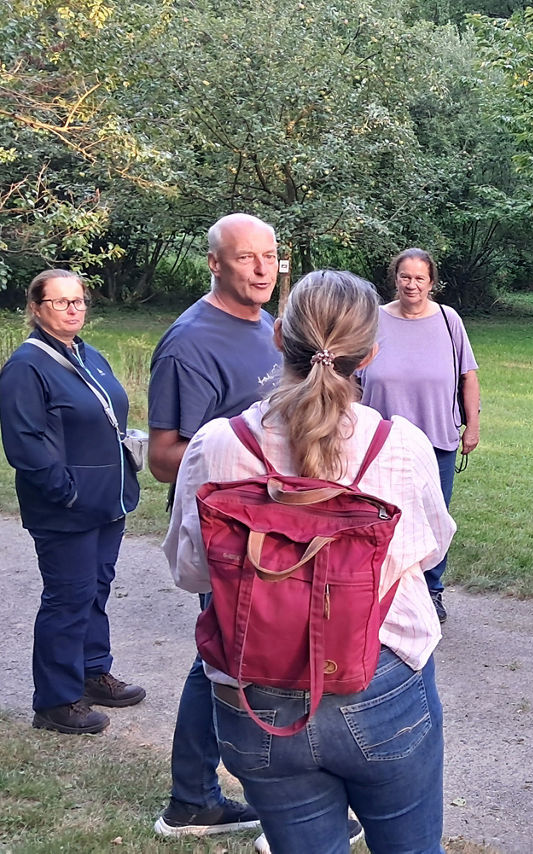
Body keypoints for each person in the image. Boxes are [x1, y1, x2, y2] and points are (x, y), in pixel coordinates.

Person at [165, 269, 456, 854]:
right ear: (371, 353)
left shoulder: (218, 444)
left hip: (255, 693)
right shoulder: (400, 444)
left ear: (279, 338)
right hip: (380, 678)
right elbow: (426, 553)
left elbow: (191, 572)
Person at [149, 212, 281, 838]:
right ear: (215, 263)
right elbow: (162, 456)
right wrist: (250, 456)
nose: (262, 269)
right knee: (228, 661)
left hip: (276, 526)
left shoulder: (272, 328)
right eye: (245, 258)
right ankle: (197, 796)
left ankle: (200, 797)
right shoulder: (190, 341)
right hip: (227, 531)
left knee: (237, 659)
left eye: (270, 257)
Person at [0, 270, 144, 735]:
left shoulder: (88, 354)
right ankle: (56, 701)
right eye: (61, 302)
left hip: (108, 502)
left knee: (95, 590)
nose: (73, 309)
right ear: (37, 308)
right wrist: (69, 493)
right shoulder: (26, 366)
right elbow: (25, 444)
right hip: (67, 509)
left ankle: (92, 672)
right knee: (68, 598)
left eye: (78, 301)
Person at [360, 247, 479, 623]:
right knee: (379, 516)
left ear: (432, 282)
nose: (412, 285)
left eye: (420, 278)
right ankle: (377, 589)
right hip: (380, 442)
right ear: (395, 278)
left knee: (432, 518)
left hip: (436, 440)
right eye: (405, 277)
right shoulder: (372, 319)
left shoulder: (448, 320)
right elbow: (351, 375)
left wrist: (472, 425)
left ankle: (432, 590)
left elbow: (468, 376)